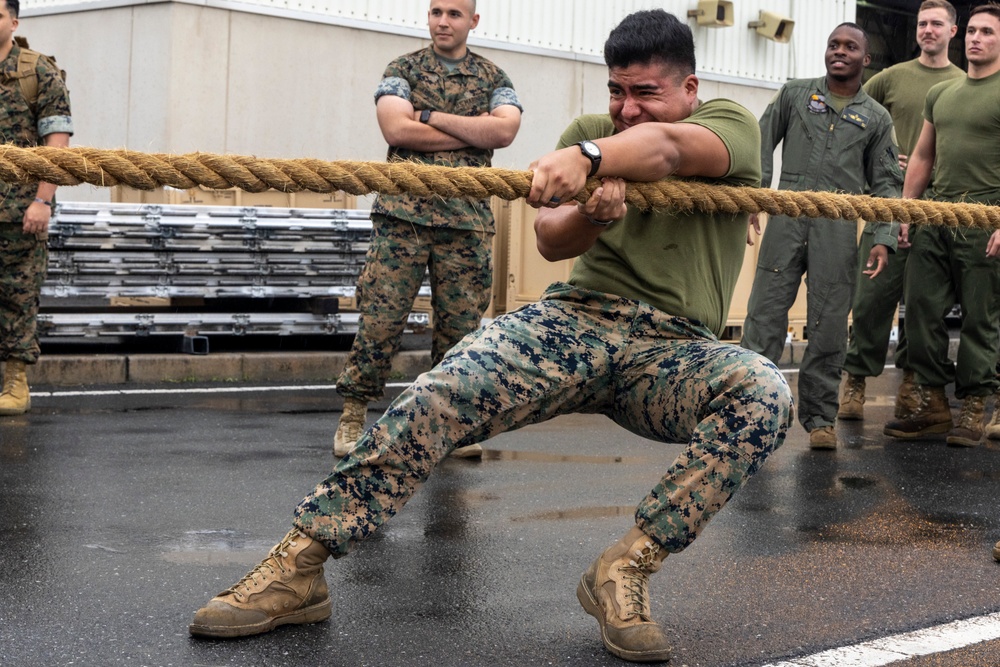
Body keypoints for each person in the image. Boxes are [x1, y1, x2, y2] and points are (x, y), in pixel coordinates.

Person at [188, 9, 793, 663]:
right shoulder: (595, 129)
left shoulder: (729, 124)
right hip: (574, 320)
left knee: (762, 389)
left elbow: (672, 151)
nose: (625, 110)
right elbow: (550, 235)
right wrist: (593, 210)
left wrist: (591, 159)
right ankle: (299, 563)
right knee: (441, 388)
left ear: (690, 90)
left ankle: (625, 568)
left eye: (645, 93)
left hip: (673, 350)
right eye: (617, 91)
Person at [333, 0, 523, 460]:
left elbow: (504, 132)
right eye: (436, 11)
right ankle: (354, 413)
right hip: (403, 217)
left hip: (466, 221)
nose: (443, 20)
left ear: (472, 21)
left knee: (460, 332)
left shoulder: (495, 78)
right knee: (381, 319)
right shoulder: (403, 69)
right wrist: (471, 130)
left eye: (454, 13)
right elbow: (395, 128)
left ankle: (444, 425)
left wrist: (428, 116)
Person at [741, 23, 902, 450]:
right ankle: (747, 412)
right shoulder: (796, 94)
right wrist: (756, 195)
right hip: (787, 216)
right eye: (833, 44)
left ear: (865, 59)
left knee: (829, 325)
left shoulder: (875, 118)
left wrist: (883, 236)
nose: (840, 52)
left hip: (837, 226)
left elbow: (887, 182)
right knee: (764, 316)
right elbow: (760, 137)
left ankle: (820, 420)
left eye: (851, 46)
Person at [838, 0, 963, 423]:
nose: (928, 30)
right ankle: (854, 381)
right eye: (922, 23)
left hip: (936, 211)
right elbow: (853, 121)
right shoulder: (889, 79)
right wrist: (882, 161)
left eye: (936, 24)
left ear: (953, 31)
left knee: (923, 307)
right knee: (871, 297)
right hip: (887, 205)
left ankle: (912, 385)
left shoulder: (962, 87)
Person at [884, 3, 1000, 447]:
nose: (975, 39)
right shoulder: (942, 94)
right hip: (936, 212)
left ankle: (973, 408)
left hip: (985, 214)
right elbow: (923, 156)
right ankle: (933, 405)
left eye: (987, 32)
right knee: (920, 310)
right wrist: (907, 210)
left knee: (979, 319)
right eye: (972, 30)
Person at [0, 0, 72, 415]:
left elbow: (57, 146)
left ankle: (15, 383)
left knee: (17, 298)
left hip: (18, 210)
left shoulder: (37, 71)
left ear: (14, 21)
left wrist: (43, 200)